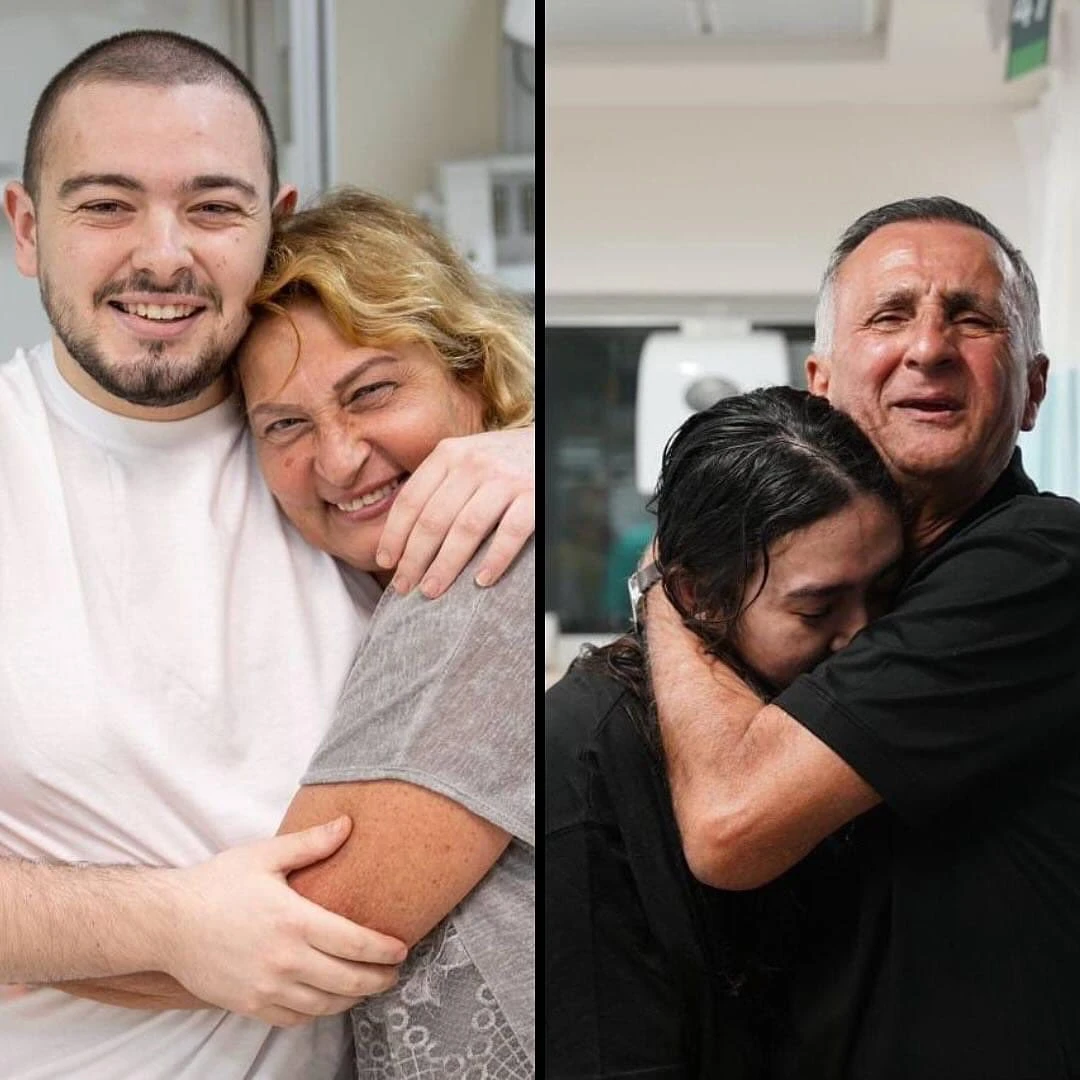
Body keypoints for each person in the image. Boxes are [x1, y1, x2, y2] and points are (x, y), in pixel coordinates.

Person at [0, 30, 533, 1080]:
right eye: (105, 204)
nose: (163, 253)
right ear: (25, 227)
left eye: (213, 206)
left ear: (272, 225)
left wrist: (528, 440)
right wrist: (164, 925)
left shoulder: (365, 486)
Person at [645, 197, 1080, 1079]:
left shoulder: (1039, 561)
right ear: (822, 387)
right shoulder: (869, 587)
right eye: (891, 316)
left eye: (971, 317)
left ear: (1033, 391)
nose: (929, 347)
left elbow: (733, 824)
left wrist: (667, 589)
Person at [546, 386, 904, 1077]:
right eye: (817, 609)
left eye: (886, 592)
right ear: (697, 597)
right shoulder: (582, 759)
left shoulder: (839, 716)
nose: (864, 638)